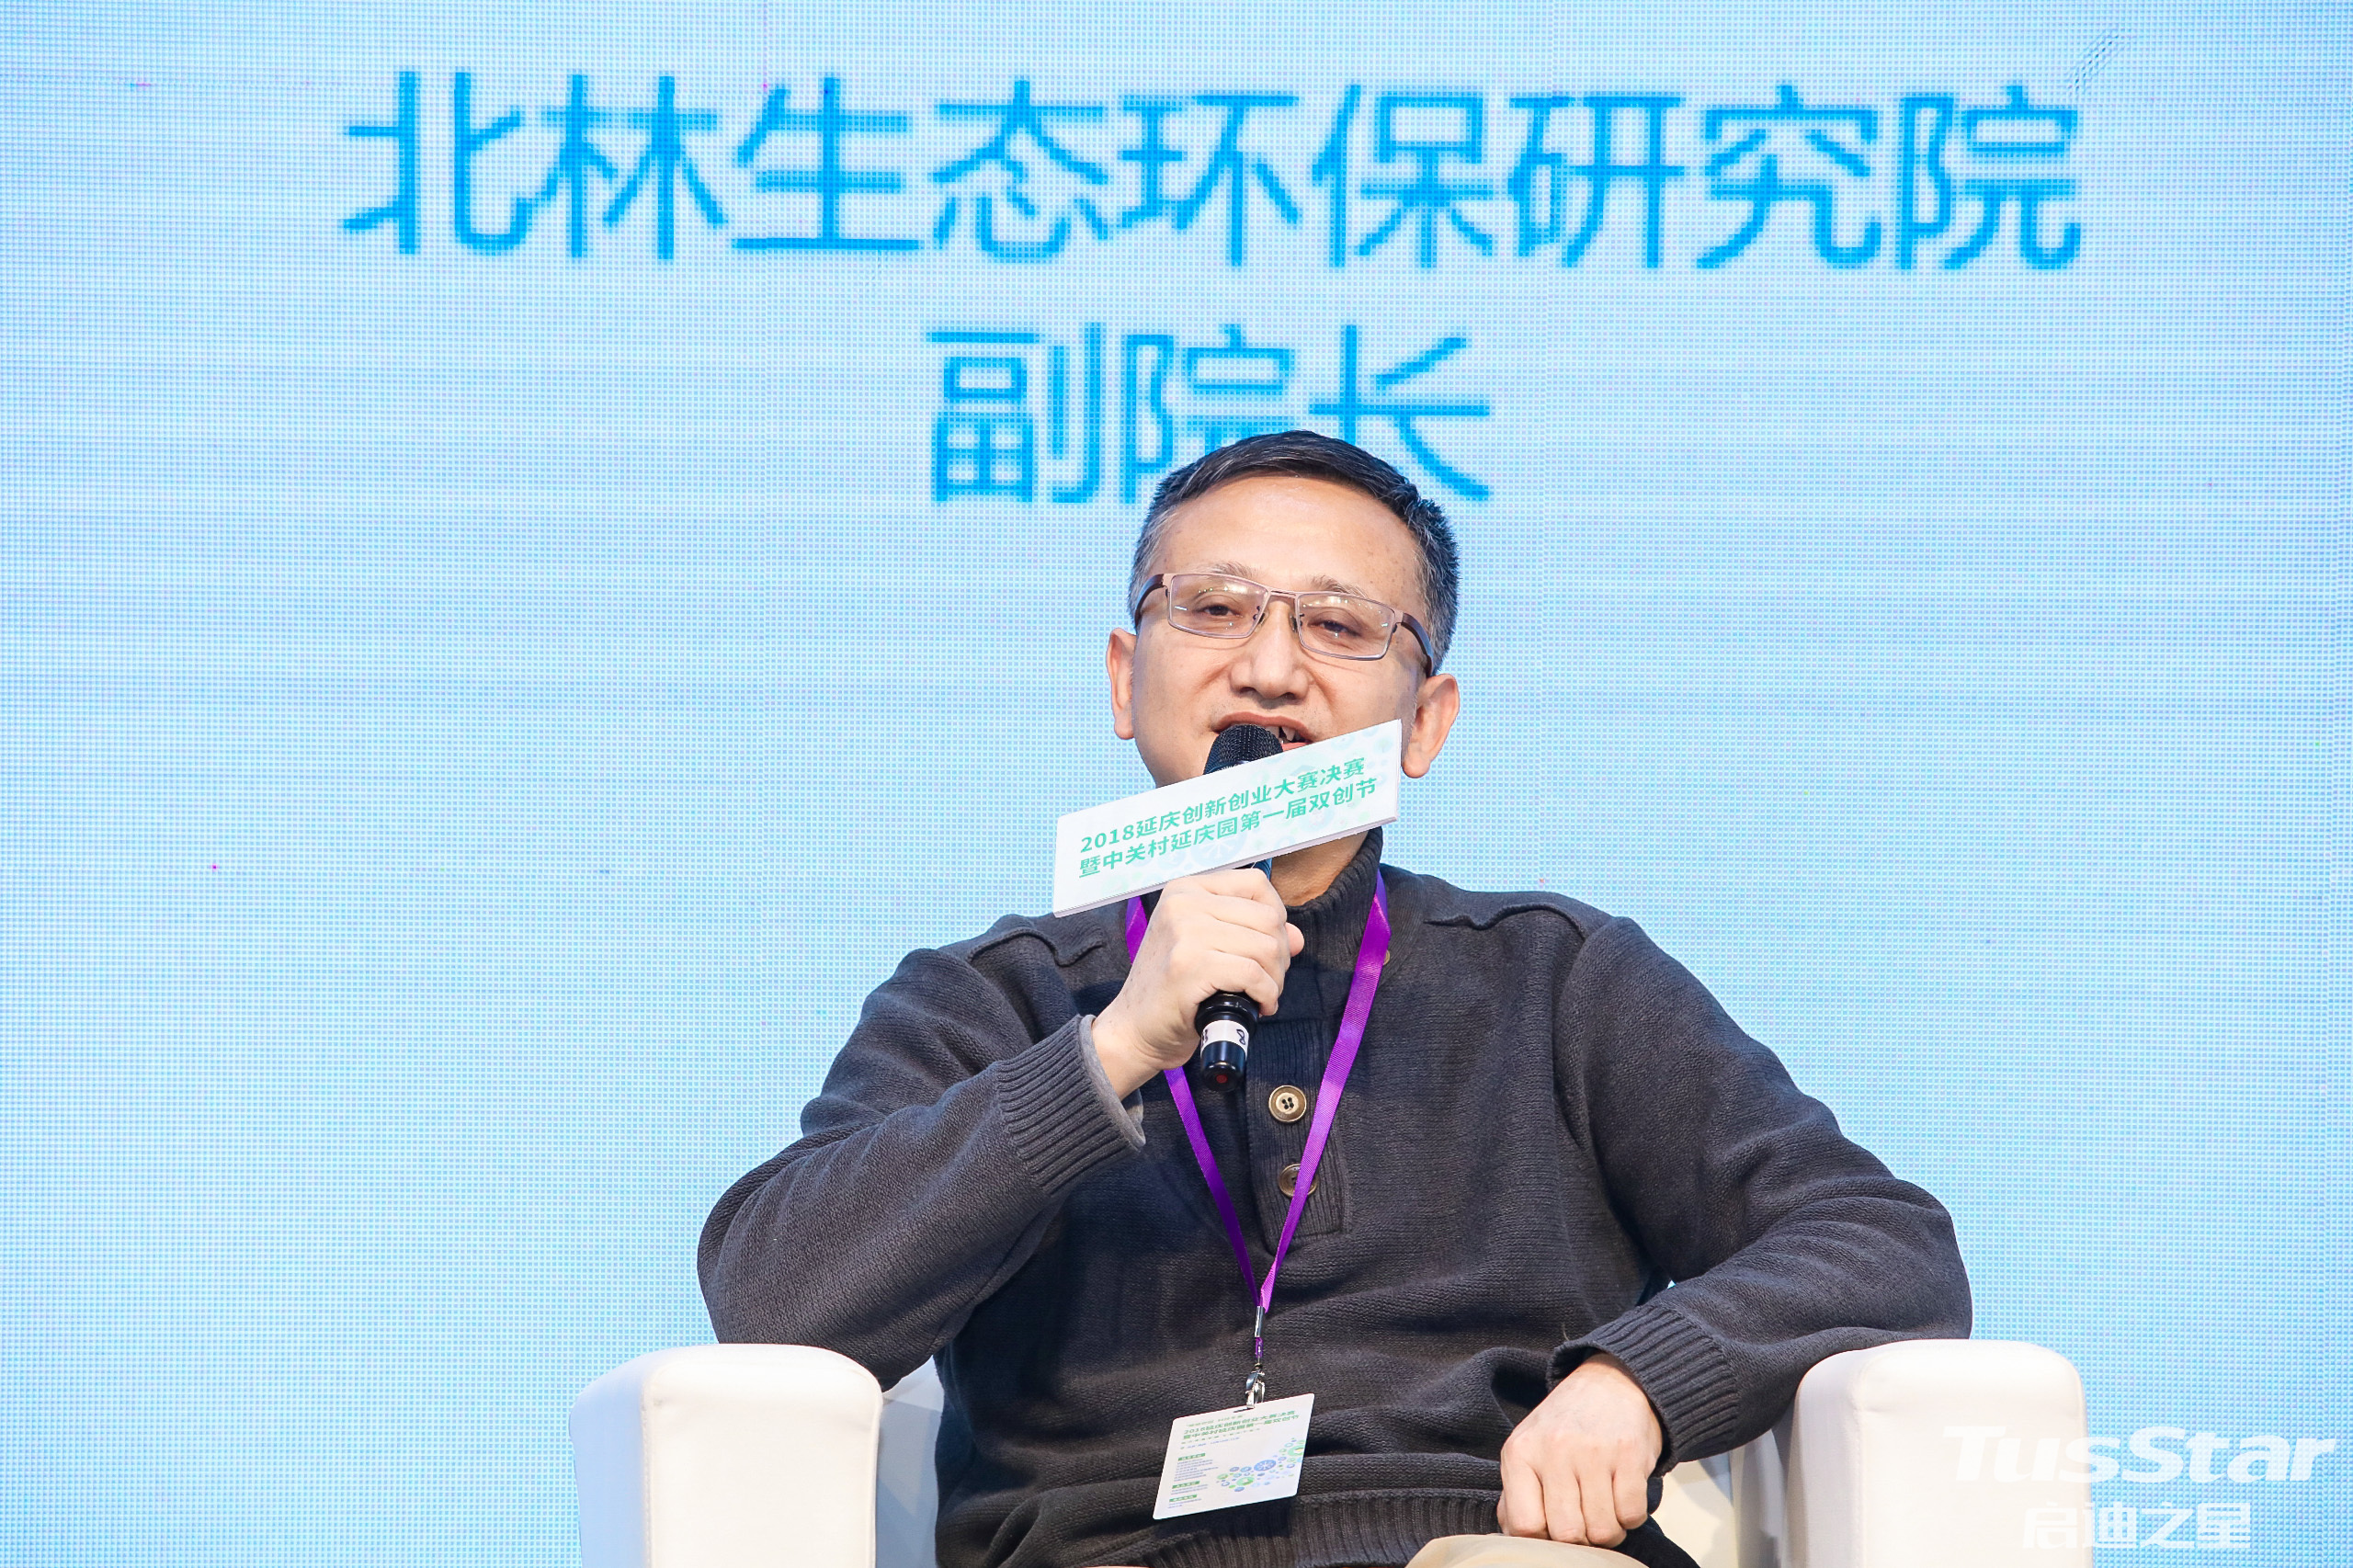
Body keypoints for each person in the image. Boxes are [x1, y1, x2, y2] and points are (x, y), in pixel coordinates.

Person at [699, 431, 1972, 1568]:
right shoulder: (993, 999)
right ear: (1123, 677)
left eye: (1340, 627)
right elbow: (775, 1298)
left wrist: (1640, 1379)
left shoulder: (1558, 978)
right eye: (1214, 610)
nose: (1269, 667)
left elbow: (1880, 1240)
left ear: (1426, 722)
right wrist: (1114, 1047)